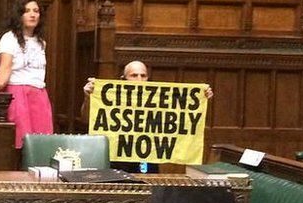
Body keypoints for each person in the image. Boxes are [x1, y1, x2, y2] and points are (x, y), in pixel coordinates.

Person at [82, 60, 213, 173]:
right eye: (134, 75)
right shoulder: (111, 97)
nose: (139, 79)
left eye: (143, 75)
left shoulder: (157, 100)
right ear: (123, 79)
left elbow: (183, 117)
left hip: (147, 160)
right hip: (117, 161)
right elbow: (86, 119)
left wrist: (202, 97)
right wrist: (89, 97)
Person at [0, 0, 53, 148]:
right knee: (21, 143)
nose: (33, 15)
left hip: (39, 94)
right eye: (27, 11)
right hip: (18, 94)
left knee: (41, 143)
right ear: (19, 15)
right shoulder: (9, 38)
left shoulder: (41, 42)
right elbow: (5, 68)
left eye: (36, 11)